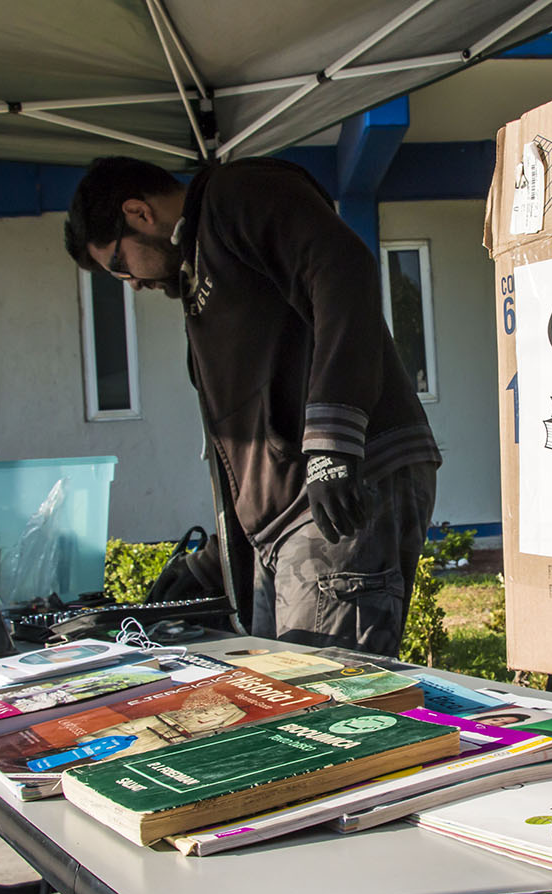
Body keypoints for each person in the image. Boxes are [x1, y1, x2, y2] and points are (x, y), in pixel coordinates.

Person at [63, 156, 440, 656]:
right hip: (286, 521)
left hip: (339, 489)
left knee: (325, 700)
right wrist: (213, 561)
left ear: (138, 212)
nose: (131, 283)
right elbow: (256, 444)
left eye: (118, 263)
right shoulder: (204, 276)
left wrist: (331, 441)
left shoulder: (236, 192)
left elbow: (341, 265)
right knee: (276, 699)